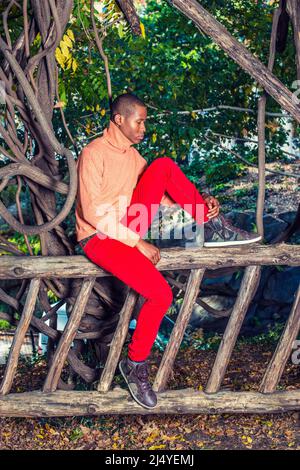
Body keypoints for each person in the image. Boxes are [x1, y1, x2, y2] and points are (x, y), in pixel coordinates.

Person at [75, 93, 261, 409]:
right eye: (140, 121)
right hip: (99, 237)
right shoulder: (93, 154)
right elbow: (93, 214)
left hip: (127, 229)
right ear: (120, 119)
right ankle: (135, 366)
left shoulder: (133, 158)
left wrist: (199, 204)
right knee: (160, 294)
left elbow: (160, 198)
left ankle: (212, 222)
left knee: (162, 166)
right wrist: (137, 242)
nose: (143, 127)